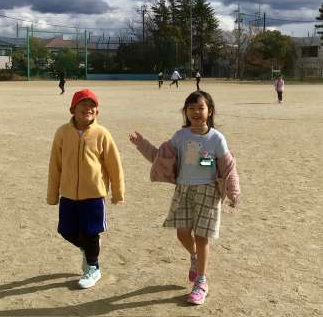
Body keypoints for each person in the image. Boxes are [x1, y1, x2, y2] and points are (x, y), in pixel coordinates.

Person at [129, 90, 240, 305]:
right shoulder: (180, 136)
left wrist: (233, 191)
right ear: (185, 112)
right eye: (191, 108)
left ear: (210, 111)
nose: (196, 112)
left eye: (201, 107)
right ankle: (195, 257)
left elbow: (228, 167)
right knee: (182, 234)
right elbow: (159, 157)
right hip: (184, 190)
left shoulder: (216, 138)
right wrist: (141, 144)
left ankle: (201, 282)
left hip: (208, 192)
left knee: (202, 237)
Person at [47, 88, 125, 289]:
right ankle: (90, 248)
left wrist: (118, 192)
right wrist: (52, 194)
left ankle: (93, 267)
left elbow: (114, 165)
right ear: (73, 109)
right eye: (83, 105)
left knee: (91, 232)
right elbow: (55, 165)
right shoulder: (62, 132)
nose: (88, 109)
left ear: (97, 111)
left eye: (92, 106)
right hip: (68, 195)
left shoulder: (102, 134)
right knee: (66, 230)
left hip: (93, 195)